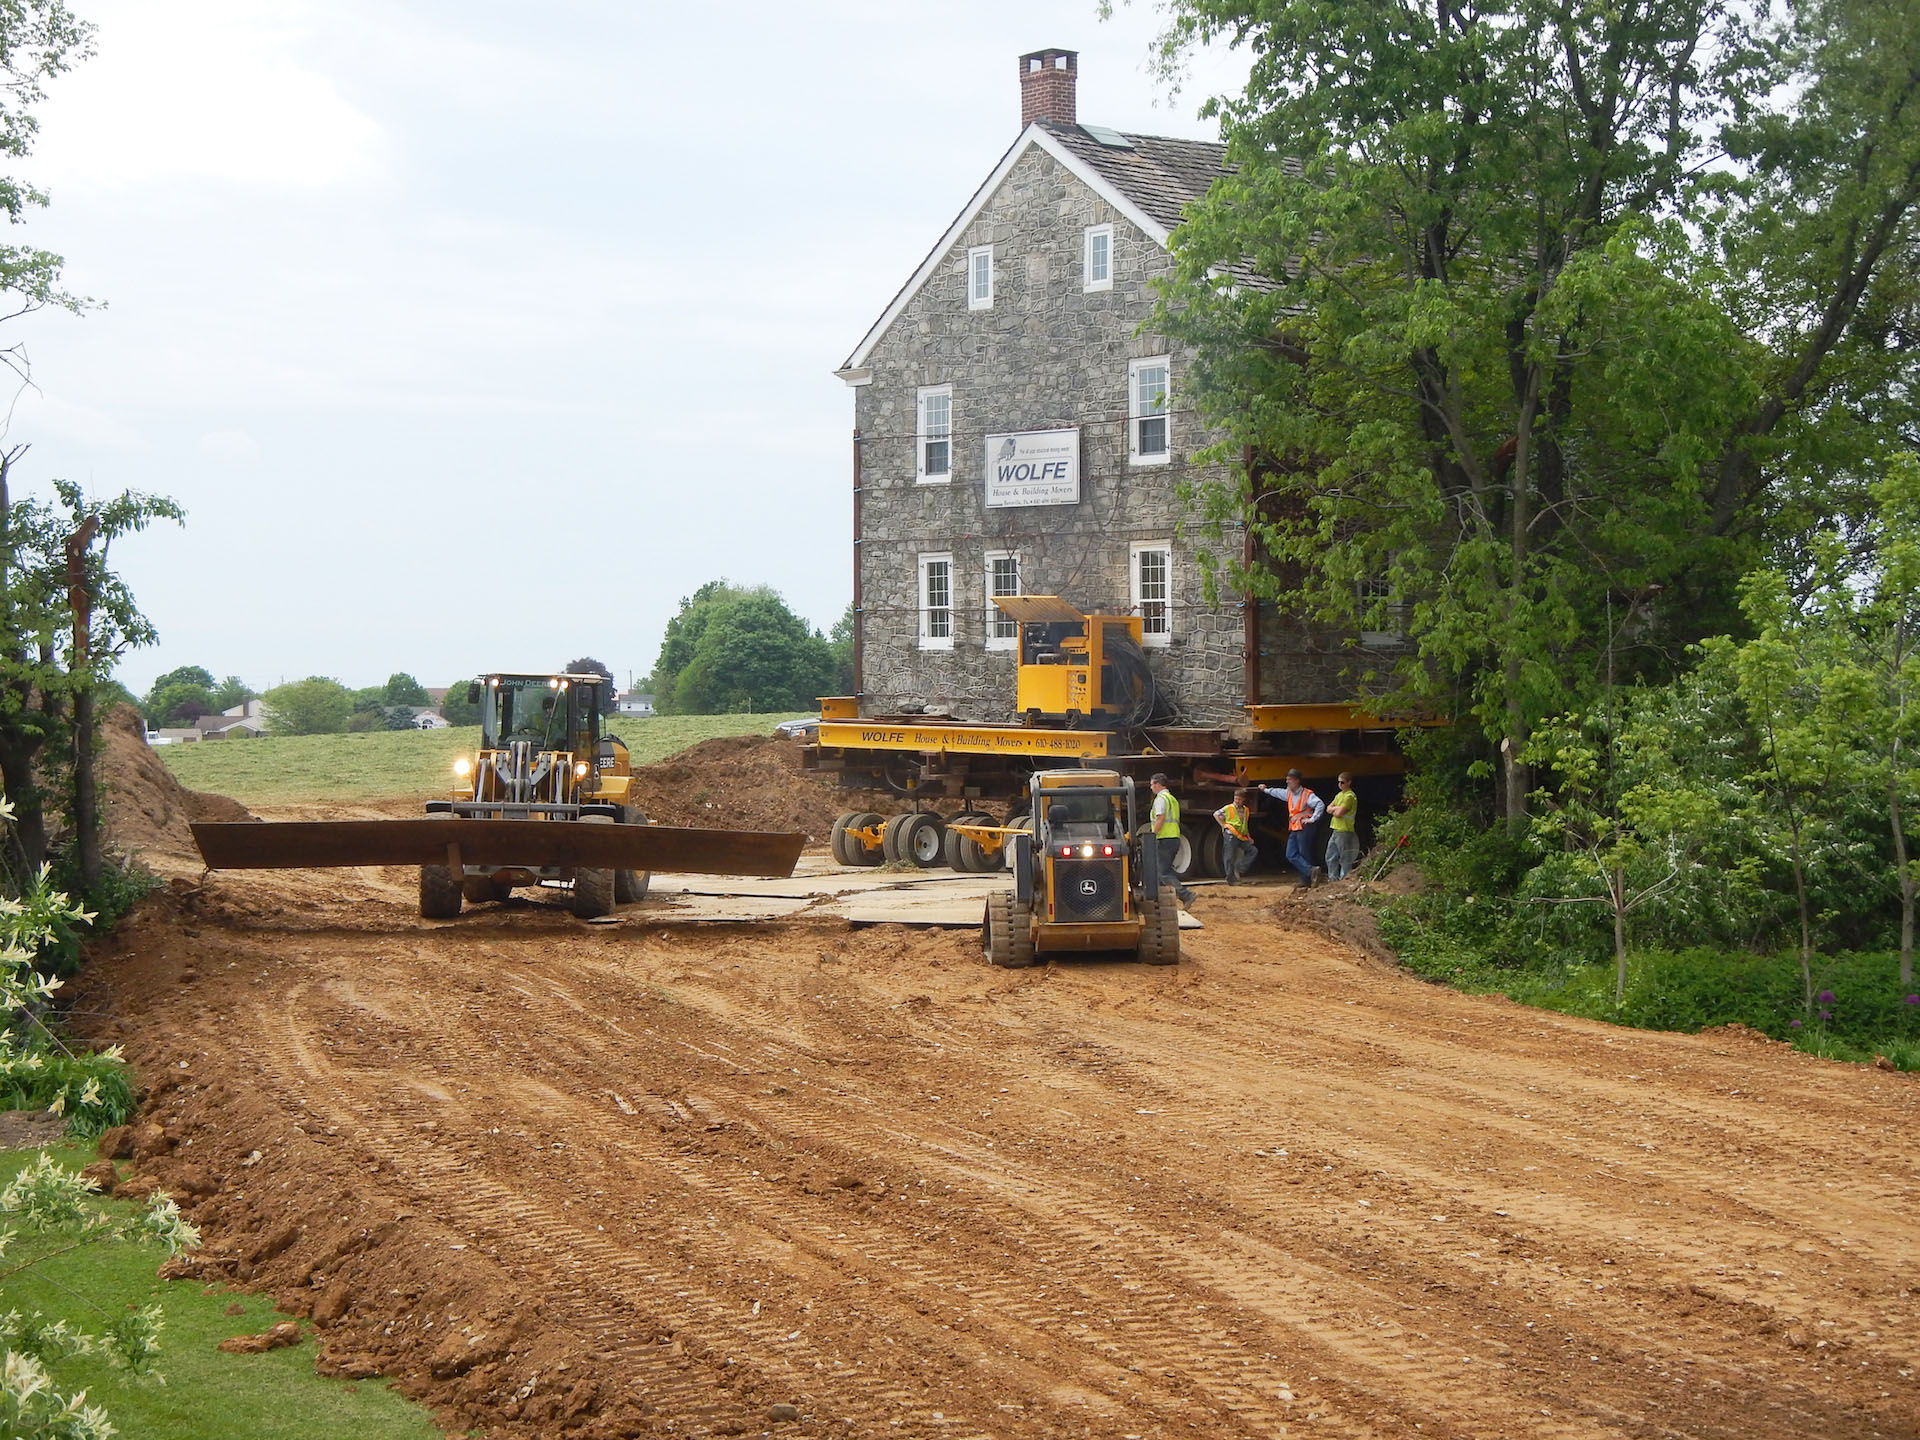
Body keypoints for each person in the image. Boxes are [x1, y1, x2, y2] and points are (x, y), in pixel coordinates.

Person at [1257, 769, 1325, 887]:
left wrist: (1313, 819)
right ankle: (1311, 872)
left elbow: (1320, 804)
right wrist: (1266, 790)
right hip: (1295, 827)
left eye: (1290, 780)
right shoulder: (1289, 793)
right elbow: (1277, 792)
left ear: (1297, 781)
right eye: (1287, 780)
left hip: (1305, 827)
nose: (1287, 782)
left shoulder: (1307, 794)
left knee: (1304, 853)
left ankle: (1306, 881)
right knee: (1290, 854)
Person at [1147, 773, 1197, 906]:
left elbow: (1160, 818)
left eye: (1152, 784)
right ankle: (1157, 901)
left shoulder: (1160, 799)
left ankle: (1186, 895)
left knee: (1163, 872)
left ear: (1158, 784)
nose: (1151, 787)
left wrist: (1152, 835)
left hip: (1164, 838)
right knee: (1160, 870)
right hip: (1174, 837)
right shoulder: (1172, 799)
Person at [1213, 788, 1256, 885]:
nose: (1236, 801)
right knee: (1229, 856)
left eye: (1239, 799)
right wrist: (1223, 825)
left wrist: (1248, 836)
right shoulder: (1229, 808)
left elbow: (1245, 824)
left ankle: (1240, 867)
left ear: (1243, 799)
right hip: (1231, 834)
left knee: (1253, 850)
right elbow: (1216, 814)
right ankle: (1230, 879)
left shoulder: (1245, 810)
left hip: (1241, 835)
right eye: (1235, 798)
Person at [1325, 772, 1360, 881]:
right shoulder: (1339, 795)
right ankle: (1333, 881)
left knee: (1345, 858)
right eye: (1339, 782)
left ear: (1349, 782)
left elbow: (1339, 813)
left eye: (1343, 782)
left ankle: (1344, 881)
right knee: (1330, 856)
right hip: (1336, 830)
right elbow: (1328, 808)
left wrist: (1334, 809)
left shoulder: (1350, 796)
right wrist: (1335, 809)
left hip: (1345, 831)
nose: (1340, 784)